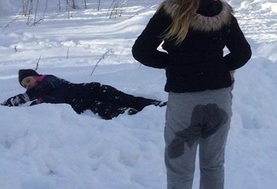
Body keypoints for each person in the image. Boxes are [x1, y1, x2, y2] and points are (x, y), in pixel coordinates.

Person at [132, 0, 251, 189]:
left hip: (184, 101)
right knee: (213, 161)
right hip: (219, 99)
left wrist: (173, 64)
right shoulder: (223, 13)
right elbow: (243, 53)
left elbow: (141, 50)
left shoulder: (170, 11)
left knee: (179, 167)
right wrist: (218, 67)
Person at [2, 69, 165, 119]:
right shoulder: (40, 99)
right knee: (109, 110)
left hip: (92, 90)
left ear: (36, 76)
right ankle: (135, 116)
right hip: (83, 104)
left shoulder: (49, 80)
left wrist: (6, 105)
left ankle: (157, 106)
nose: (28, 85)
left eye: (28, 80)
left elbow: (31, 95)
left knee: (127, 99)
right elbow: (32, 112)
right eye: (25, 85)